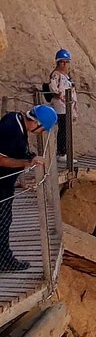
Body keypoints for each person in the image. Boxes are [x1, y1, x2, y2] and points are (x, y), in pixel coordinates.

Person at [0, 106, 55, 272]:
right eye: (43, 129)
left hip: (6, 184)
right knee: (2, 222)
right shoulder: (12, 128)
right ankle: (4, 261)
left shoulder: (16, 120)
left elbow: (16, 149)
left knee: (4, 220)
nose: (42, 132)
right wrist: (27, 163)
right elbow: (1, 160)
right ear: (37, 123)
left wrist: (29, 156)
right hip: (1, 185)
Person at [48, 49, 76, 162]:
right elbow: (53, 88)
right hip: (61, 105)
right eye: (62, 62)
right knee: (63, 129)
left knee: (66, 129)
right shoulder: (56, 74)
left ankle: (65, 152)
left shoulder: (66, 75)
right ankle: (61, 152)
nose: (64, 64)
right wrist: (61, 96)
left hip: (68, 105)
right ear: (58, 62)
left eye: (66, 62)